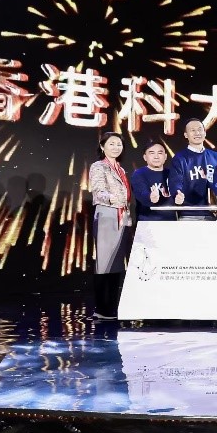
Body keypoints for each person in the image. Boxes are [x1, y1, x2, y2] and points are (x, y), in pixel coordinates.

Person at [89, 132, 132, 319]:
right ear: (102, 146)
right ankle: (102, 308)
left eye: (119, 144)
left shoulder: (121, 169)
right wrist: (114, 199)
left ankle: (112, 307)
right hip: (107, 214)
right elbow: (98, 191)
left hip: (122, 216)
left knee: (117, 262)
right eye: (112, 144)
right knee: (105, 263)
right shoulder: (99, 166)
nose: (116, 147)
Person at [168, 119, 217, 221]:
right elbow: (175, 181)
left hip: (214, 215)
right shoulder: (180, 158)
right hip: (189, 214)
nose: (197, 133)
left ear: (205, 133)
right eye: (192, 130)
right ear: (186, 135)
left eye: (200, 129)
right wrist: (177, 193)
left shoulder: (216, 157)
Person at [129, 142, 175, 223]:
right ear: (145, 157)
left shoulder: (172, 174)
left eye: (160, 153)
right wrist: (150, 197)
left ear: (165, 156)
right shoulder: (139, 174)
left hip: (171, 222)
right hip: (147, 222)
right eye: (152, 153)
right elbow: (141, 194)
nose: (156, 156)